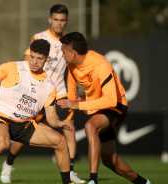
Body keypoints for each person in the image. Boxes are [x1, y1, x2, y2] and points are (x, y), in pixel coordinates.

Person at [0, 39, 73, 184]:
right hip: (2, 116)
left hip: (26, 124)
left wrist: (59, 123)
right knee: (2, 144)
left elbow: (51, 117)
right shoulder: (12, 68)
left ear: (47, 59)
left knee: (61, 141)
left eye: (39, 58)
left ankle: (67, 182)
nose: (34, 61)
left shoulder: (49, 86)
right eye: (32, 56)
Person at [0, 4, 85, 184]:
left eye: (62, 20)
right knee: (24, 136)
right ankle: (8, 165)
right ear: (50, 19)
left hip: (59, 92)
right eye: (56, 19)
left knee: (69, 128)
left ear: (66, 21)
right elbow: (25, 64)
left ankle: (69, 172)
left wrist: (75, 90)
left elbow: (73, 67)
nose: (59, 23)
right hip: (38, 93)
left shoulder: (68, 43)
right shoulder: (39, 38)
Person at [57, 32, 151, 184]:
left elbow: (111, 100)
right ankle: (144, 183)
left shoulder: (100, 64)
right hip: (97, 109)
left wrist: (79, 105)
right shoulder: (71, 64)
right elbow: (72, 95)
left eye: (64, 52)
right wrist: (71, 102)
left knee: (90, 126)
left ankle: (93, 180)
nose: (62, 55)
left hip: (116, 107)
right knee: (109, 160)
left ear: (73, 54)